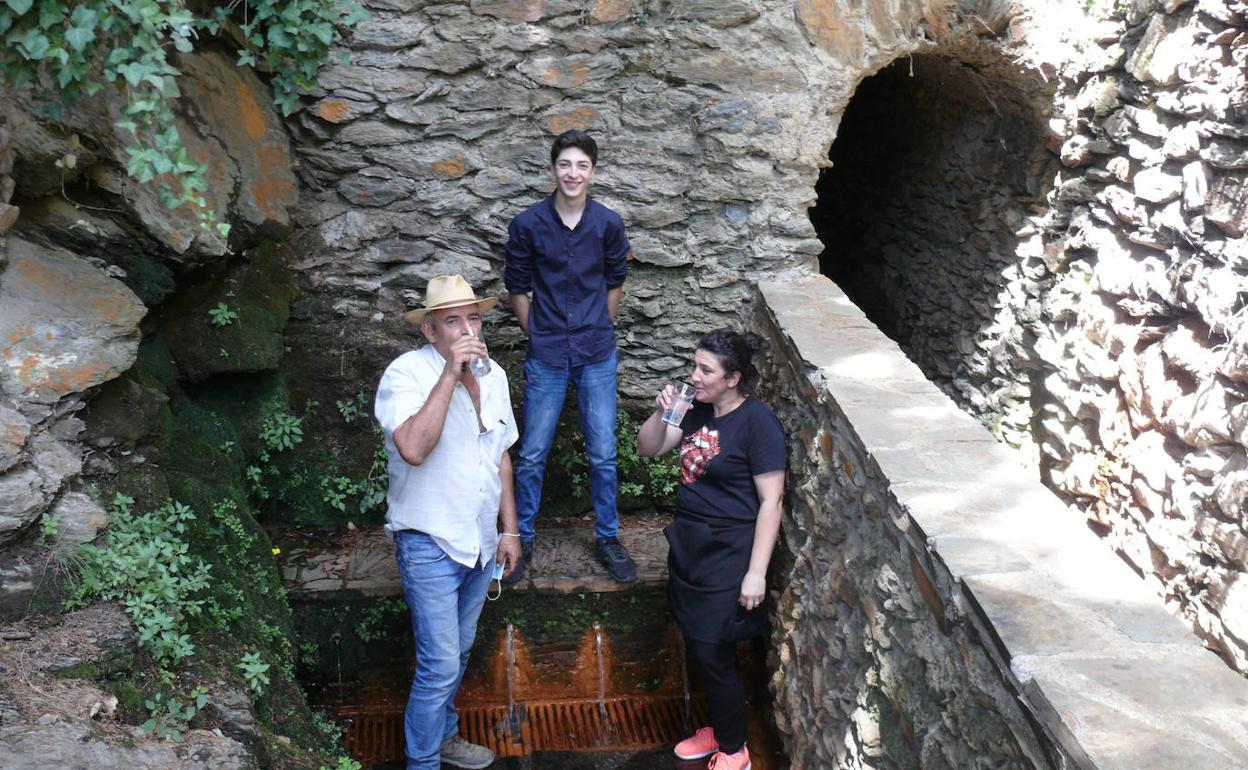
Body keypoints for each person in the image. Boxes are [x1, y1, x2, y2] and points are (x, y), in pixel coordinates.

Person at [373, 274, 523, 770]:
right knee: (438, 665)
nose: (466, 329)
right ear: (430, 332)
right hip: (429, 541)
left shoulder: (495, 376)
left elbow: (499, 455)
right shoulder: (406, 375)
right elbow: (413, 448)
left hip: (480, 541)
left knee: (456, 656)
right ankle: (423, 762)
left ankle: (444, 736)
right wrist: (449, 376)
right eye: (451, 321)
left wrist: (510, 529)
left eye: (473, 318)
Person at [636, 328, 787, 770]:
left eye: (706, 370)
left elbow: (771, 502)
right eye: (695, 366)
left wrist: (756, 572)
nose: (695, 376)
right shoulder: (695, 408)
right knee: (700, 643)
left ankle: (735, 749)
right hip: (690, 545)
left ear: (734, 377)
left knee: (713, 648)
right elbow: (650, 449)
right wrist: (662, 413)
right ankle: (722, 728)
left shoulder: (758, 424)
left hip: (729, 551)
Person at [502, 129, 637, 584]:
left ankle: (608, 537)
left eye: (581, 165)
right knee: (534, 452)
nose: (573, 173)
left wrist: (601, 322)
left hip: (596, 352)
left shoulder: (607, 223)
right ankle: (520, 538)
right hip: (547, 354)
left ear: (592, 171)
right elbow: (517, 285)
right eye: (565, 164)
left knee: (602, 453)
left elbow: (615, 279)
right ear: (553, 170)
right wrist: (536, 331)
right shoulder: (528, 224)